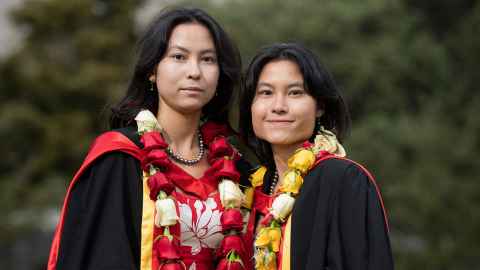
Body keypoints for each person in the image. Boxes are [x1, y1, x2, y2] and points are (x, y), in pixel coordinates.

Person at [47, 7, 252, 270]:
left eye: (208, 59)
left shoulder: (236, 171)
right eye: (179, 56)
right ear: (152, 71)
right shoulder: (119, 159)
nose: (195, 71)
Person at [239, 43, 394, 270]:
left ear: (319, 106)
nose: (278, 106)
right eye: (266, 92)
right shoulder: (251, 190)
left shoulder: (344, 180)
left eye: (295, 93)